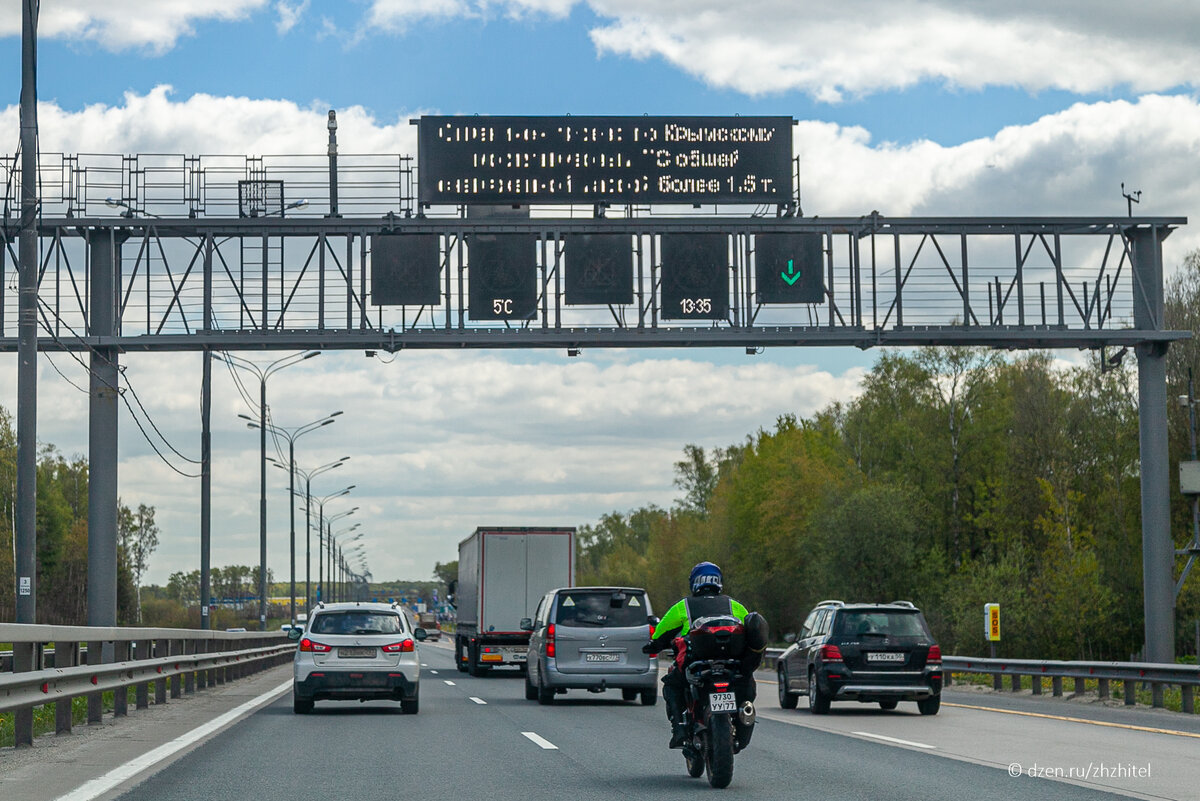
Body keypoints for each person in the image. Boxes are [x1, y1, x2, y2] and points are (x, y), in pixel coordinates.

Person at [642, 561, 760, 749]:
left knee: (671, 685)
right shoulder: (735, 605)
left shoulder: (683, 606)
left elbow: (659, 635)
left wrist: (652, 646)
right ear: (718, 582)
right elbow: (750, 631)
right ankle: (743, 717)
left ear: (694, 583)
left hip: (696, 664)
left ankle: (679, 729)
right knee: (747, 685)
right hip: (732, 665)